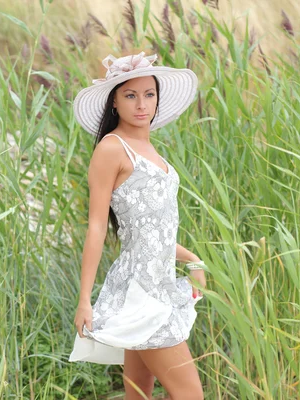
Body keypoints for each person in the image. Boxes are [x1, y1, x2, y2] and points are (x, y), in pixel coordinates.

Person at [68, 51, 208, 400]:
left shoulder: (151, 150)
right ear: (114, 102)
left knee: (138, 396)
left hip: (158, 285)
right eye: (130, 95)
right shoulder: (112, 149)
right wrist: (84, 300)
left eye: (149, 94)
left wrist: (191, 258)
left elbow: (151, 232)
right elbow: (97, 228)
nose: (141, 104)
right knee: (191, 395)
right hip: (141, 292)